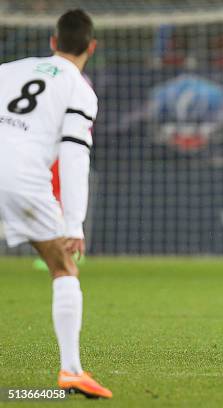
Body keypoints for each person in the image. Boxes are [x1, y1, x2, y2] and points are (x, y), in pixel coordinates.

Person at [0, 9, 112, 397]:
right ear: (91, 48)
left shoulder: (10, 69)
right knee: (63, 266)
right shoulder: (79, 89)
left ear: (52, 41)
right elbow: (74, 156)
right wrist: (73, 224)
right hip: (21, 177)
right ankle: (71, 371)